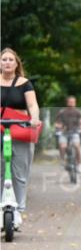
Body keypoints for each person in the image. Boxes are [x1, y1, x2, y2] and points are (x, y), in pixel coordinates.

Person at [0, 48, 42, 230]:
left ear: (16, 64)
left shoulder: (25, 84)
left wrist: (34, 118)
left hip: (19, 129)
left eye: (11, 59)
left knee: (19, 172)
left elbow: (32, 105)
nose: (7, 62)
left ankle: (17, 210)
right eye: (4, 59)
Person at [54, 95, 81, 174]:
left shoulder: (78, 112)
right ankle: (62, 160)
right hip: (64, 133)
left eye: (73, 102)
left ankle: (79, 164)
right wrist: (59, 127)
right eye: (70, 102)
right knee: (62, 146)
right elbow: (57, 123)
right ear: (67, 103)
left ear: (75, 103)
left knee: (77, 146)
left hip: (75, 132)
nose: (71, 104)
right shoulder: (62, 112)